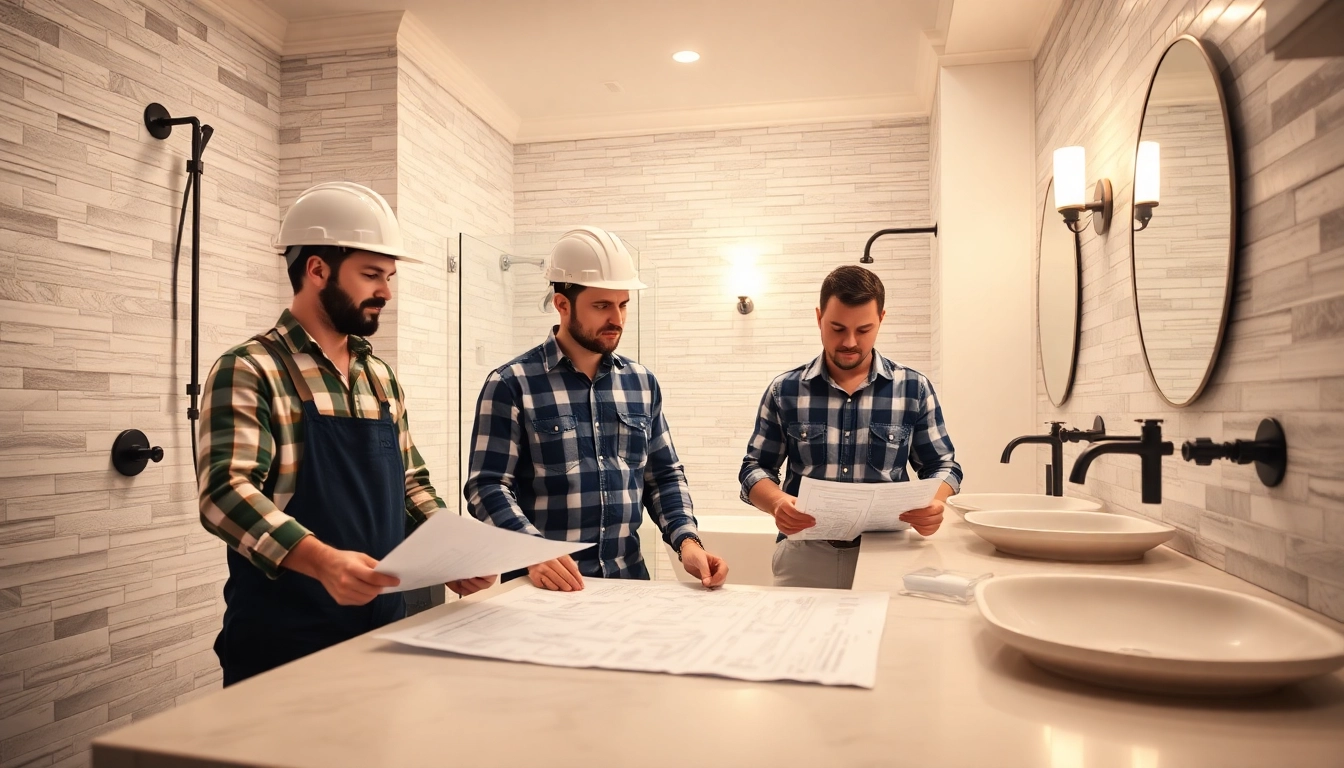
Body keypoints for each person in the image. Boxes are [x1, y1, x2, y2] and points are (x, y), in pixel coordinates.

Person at [198, 182, 495, 685]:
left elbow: (411, 486)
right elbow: (225, 493)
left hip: (384, 634)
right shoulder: (249, 369)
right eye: (372, 275)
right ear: (317, 270)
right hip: (283, 646)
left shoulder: (379, 377)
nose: (386, 292)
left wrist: (452, 556)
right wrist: (322, 562)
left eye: (389, 276)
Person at [465, 226, 728, 591]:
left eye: (623, 304)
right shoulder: (511, 383)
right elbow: (487, 485)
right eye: (602, 305)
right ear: (562, 304)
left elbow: (663, 476)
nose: (617, 319)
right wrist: (532, 551)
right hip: (544, 590)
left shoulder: (642, 383)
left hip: (629, 585)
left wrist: (688, 541)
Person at [739, 265, 962, 589]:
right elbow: (754, 467)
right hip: (804, 555)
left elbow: (944, 465)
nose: (850, 342)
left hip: (888, 555)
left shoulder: (914, 388)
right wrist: (776, 502)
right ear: (819, 318)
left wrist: (934, 504)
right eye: (837, 328)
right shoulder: (784, 390)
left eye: (864, 329)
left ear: (881, 319)